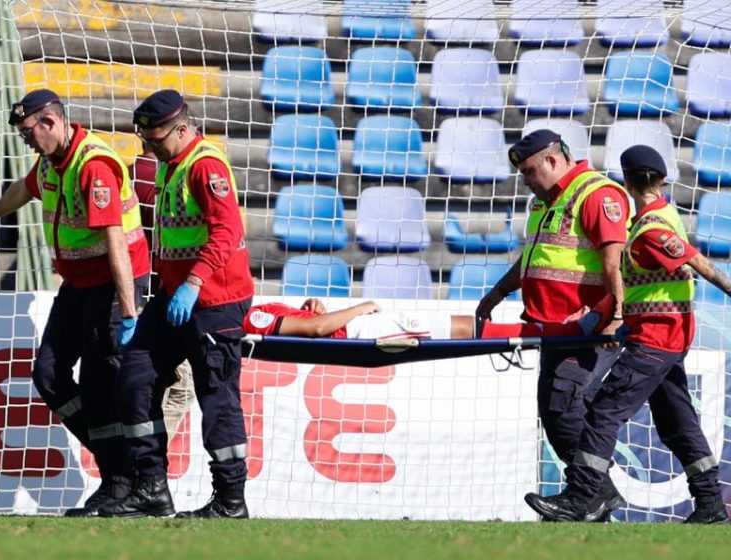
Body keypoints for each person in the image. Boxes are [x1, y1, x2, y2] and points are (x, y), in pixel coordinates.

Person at [0, 89, 150, 517]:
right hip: (79, 284)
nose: (27, 142)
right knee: (48, 374)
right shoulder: (52, 161)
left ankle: (122, 480)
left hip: (113, 283)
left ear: (49, 122)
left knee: (100, 385)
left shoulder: (94, 166)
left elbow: (116, 242)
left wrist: (128, 311)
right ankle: (117, 465)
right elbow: (24, 188)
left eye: (29, 133)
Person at [524, 145, 731, 524]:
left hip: (655, 338)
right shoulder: (664, 215)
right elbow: (648, 281)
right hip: (666, 338)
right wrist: (598, 317)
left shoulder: (650, 228)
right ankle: (711, 504)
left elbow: (699, 264)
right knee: (676, 421)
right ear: (663, 180)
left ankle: (583, 497)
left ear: (627, 182)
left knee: (603, 412)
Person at [100, 89, 254, 519]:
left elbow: (227, 232)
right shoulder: (172, 165)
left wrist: (194, 282)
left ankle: (230, 500)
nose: (150, 148)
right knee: (134, 377)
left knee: (217, 398)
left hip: (215, 301)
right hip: (173, 300)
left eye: (156, 139)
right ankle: (151, 486)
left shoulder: (205, 166)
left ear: (182, 129)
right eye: (145, 140)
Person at [475, 129, 630, 522]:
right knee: (556, 408)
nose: (526, 180)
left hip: (588, 327)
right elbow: (533, 258)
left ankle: (591, 494)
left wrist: (613, 316)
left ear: (552, 160)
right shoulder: (543, 203)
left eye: (529, 171)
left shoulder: (596, 194)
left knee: (563, 406)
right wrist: (497, 293)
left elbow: (616, 264)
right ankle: (593, 498)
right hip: (554, 328)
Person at [130, 143, 196, 442]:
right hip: (167, 301)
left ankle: (140, 459)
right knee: (179, 388)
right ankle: (146, 461)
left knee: (143, 389)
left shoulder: (126, 176)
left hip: (131, 298)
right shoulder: (174, 179)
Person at [244, 296, 616, 341]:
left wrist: (311, 306)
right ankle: (566, 330)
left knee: (461, 326)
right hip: (361, 330)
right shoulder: (251, 317)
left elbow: (310, 320)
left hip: (358, 326)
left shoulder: (258, 310)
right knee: (461, 329)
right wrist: (359, 307)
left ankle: (561, 329)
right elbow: (315, 329)